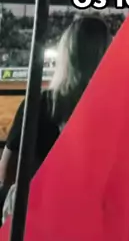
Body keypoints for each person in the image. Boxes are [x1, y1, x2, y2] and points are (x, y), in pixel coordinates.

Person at [0, 16, 110, 213]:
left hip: (43, 212)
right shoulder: (117, 106)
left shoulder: (40, 104)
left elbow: (8, 173)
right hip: (97, 213)